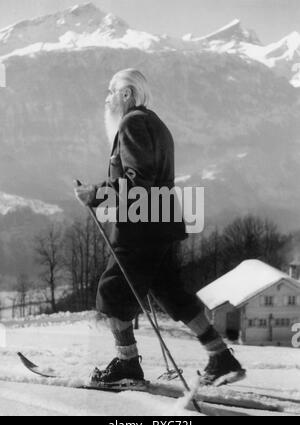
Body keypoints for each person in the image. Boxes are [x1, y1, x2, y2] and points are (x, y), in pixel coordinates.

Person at [74, 68, 245, 387]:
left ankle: (127, 365)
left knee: (112, 289)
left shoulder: (132, 122)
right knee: (171, 292)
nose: (107, 97)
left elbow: (140, 180)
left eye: (112, 91)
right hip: (161, 222)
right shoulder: (156, 123)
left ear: (126, 93)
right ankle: (221, 357)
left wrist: (95, 193)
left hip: (140, 225)